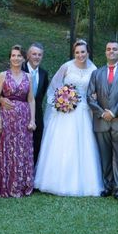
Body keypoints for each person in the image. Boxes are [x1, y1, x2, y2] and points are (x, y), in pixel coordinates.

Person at [35, 40, 103, 196]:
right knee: (62, 144)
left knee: (82, 145)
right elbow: (54, 87)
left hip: (83, 112)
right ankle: (54, 180)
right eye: (77, 52)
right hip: (65, 113)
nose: (80, 55)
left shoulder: (94, 69)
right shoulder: (66, 67)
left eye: (83, 52)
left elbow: (95, 92)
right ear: (74, 53)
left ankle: (83, 183)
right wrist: (60, 102)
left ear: (88, 52)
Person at [87, 40, 118, 199]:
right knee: (105, 156)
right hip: (101, 121)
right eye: (108, 49)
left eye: (115, 49)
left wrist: (113, 112)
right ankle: (107, 186)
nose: (111, 51)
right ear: (105, 52)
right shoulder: (96, 73)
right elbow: (90, 96)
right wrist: (102, 113)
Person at [0, 45, 35, 197]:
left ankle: (21, 185)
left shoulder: (28, 76)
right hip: (7, 118)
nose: (16, 58)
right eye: (13, 55)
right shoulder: (3, 75)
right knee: (7, 150)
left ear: (23, 58)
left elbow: (31, 99)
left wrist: (32, 120)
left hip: (24, 119)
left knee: (22, 151)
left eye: (19, 56)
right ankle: (6, 184)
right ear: (10, 58)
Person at [0, 43, 49, 163]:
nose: (36, 57)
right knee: (15, 145)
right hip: (14, 115)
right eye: (34, 54)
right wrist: (1, 99)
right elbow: (1, 91)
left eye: (39, 55)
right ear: (27, 56)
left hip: (36, 113)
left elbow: (39, 96)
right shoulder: (18, 69)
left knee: (37, 141)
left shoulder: (44, 73)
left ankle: (31, 170)